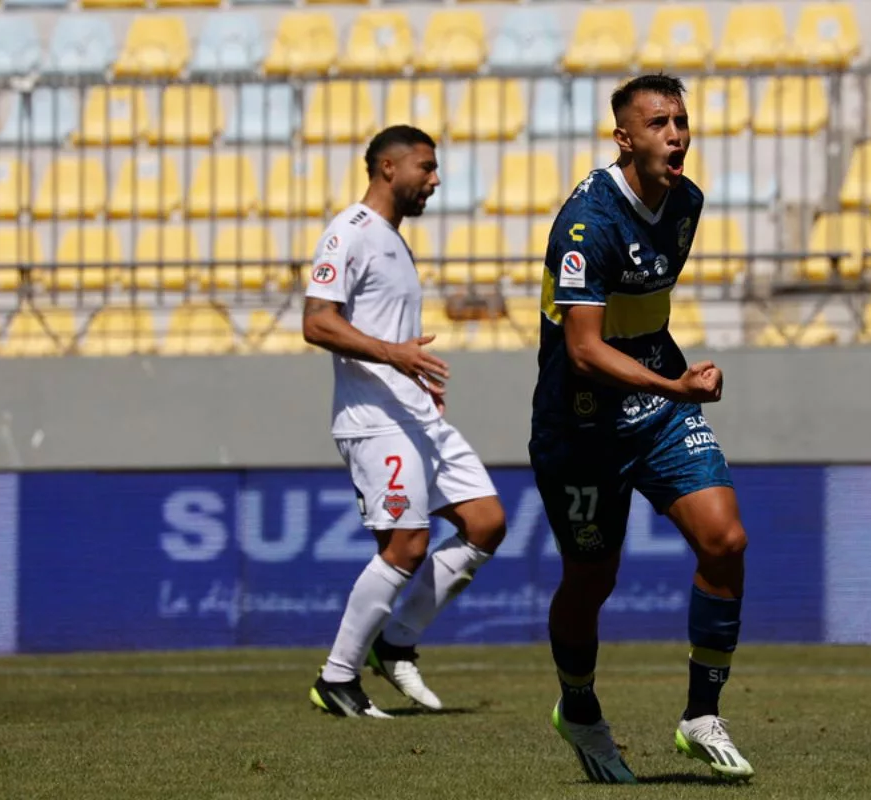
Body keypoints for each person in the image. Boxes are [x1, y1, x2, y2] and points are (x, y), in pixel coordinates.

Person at [529, 74, 754, 783]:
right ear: (623, 139)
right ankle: (578, 708)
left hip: (658, 410)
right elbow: (583, 350)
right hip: (581, 424)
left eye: (681, 121)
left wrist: (671, 390)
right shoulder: (586, 223)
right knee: (591, 580)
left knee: (725, 540)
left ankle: (701, 716)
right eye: (659, 124)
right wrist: (677, 384)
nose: (676, 135)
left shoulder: (687, 203)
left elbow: (644, 316)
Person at [303, 125, 507, 718]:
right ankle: (337, 677)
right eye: (426, 166)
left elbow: (388, 333)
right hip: (374, 418)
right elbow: (317, 322)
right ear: (388, 168)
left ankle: (395, 643)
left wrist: (415, 375)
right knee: (406, 545)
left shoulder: (393, 239)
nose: (435, 180)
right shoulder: (349, 232)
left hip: (414, 412)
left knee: (486, 522)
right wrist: (394, 355)